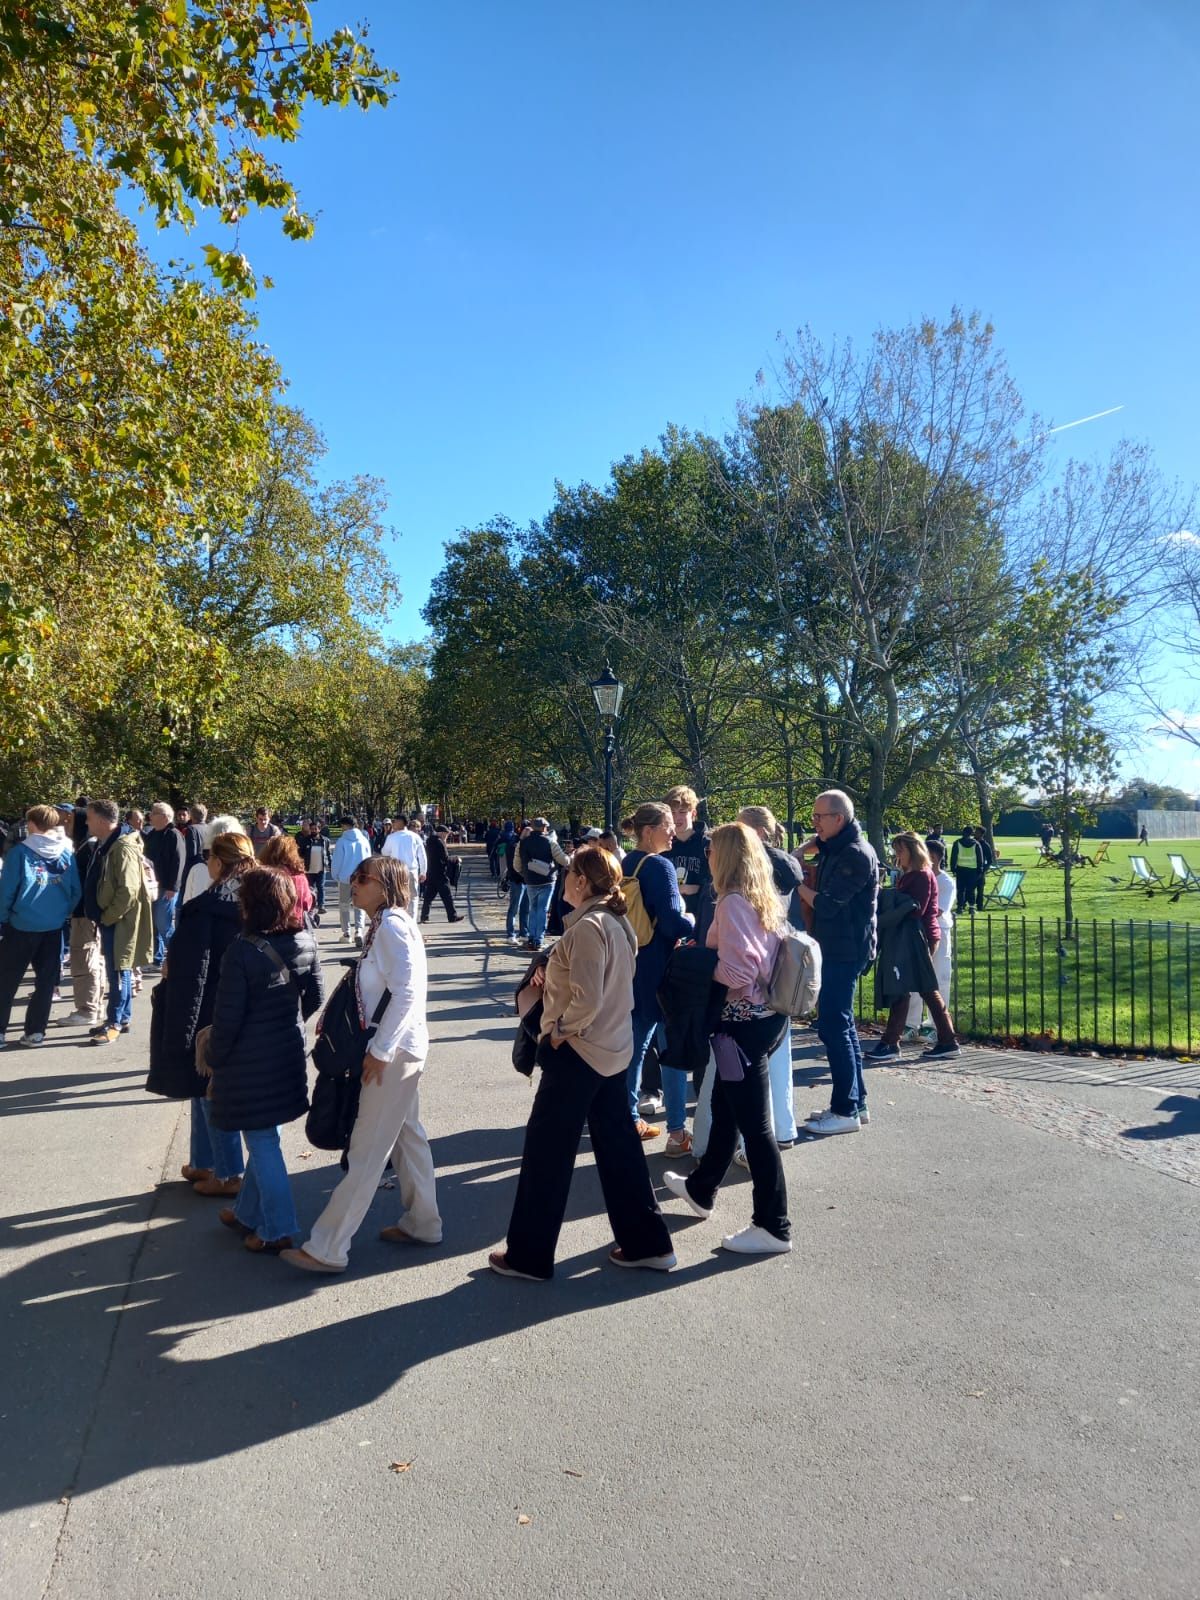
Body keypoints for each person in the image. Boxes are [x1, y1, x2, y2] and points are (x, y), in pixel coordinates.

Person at [489, 845, 676, 1280]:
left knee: (547, 1155)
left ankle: (529, 1256)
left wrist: (557, 1033)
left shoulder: (590, 927)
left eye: (570, 871)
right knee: (619, 1151)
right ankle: (648, 1243)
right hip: (610, 1050)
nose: (564, 878)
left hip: (580, 1052)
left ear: (580, 881)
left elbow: (587, 997)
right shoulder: (612, 921)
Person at [282, 857, 441, 1273]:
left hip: (394, 1055)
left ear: (385, 884)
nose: (353, 885)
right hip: (402, 1050)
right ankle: (424, 1222)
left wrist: (381, 1050)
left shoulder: (391, 926)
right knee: (408, 1137)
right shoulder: (388, 924)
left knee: (368, 1150)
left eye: (361, 878)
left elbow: (407, 992)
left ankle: (328, 1247)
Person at [662, 822, 791, 1255]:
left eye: (711, 848)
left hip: (740, 1025)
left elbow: (737, 973)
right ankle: (701, 1190)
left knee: (755, 1128)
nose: (707, 855)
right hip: (764, 1020)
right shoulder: (761, 897)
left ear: (727, 855)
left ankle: (773, 1226)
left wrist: (696, 960)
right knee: (724, 1107)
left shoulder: (733, 902)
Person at [205, 866, 323, 1253]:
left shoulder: (241, 951)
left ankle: (278, 1228)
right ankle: (248, 1211)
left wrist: (215, 1059)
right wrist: (286, 1021)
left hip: (247, 1060)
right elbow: (316, 998)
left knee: (262, 1141)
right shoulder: (305, 940)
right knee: (265, 1135)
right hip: (286, 1049)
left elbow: (227, 1017)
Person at [146, 832, 256, 1196]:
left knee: (210, 1086)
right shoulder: (262, 898)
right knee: (203, 1086)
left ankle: (226, 1172)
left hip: (212, 1005)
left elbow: (189, 972)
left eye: (209, 855)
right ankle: (204, 1161)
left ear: (218, 863)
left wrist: (180, 1024)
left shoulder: (206, 908)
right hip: (251, 1005)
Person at [795, 789, 879, 1135]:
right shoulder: (838, 847)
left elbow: (828, 904)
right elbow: (805, 851)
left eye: (819, 817)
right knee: (841, 1026)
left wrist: (797, 882)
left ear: (839, 819)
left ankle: (844, 1111)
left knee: (833, 1027)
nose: (814, 823)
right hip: (837, 947)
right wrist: (802, 850)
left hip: (845, 951)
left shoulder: (856, 854)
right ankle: (855, 1102)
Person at [620, 801, 694, 1148]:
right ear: (648, 831)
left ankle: (626, 1115)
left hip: (632, 964)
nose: (673, 832)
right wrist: (690, 920)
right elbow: (671, 922)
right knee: (672, 1049)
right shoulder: (661, 867)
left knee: (635, 1046)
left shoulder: (627, 863)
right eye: (667, 826)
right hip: (661, 968)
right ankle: (677, 1130)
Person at [737, 805, 805, 1149]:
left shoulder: (760, 864)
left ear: (758, 832)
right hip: (781, 957)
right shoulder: (786, 862)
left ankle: (758, 1138)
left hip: (763, 961)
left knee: (757, 1058)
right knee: (780, 1053)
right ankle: (784, 1127)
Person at [866, 832, 960, 1061]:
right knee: (921, 988)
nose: (897, 856)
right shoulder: (915, 874)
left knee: (908, 988)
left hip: (917, 937)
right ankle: (945, 1041)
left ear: (913, 851)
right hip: (916, 936)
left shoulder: (919, 875)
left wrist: (889, 899)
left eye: (901, 850)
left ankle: (892, 1043)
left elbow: (915, 909)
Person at [0, 805, 81, 1048]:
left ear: (31, 823)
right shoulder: (66, 853)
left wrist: (3, 918)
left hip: (21, 924)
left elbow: (6, 891)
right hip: (53, 926)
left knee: (6, 981)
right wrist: (62, 912)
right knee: (46, 982)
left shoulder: (19, 853)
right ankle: (36, 1032)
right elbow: (75, 890)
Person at [86, 799, 154, 1045]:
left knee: (118, 971)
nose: (86, 822)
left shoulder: (121, 847)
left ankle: (114, 1022)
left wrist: (107, 917)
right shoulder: (111, 844)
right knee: (120, 970)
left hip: (119, 921)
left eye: (90, 817)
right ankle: (121, 1018)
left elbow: (128, 890)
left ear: (103, 821)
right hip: (114, 919)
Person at [905, 837, 955, 1040]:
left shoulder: (945, 882)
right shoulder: (917, 876)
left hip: (939, 932)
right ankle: (910, 1022)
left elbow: (937, 909)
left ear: (933, 857)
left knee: (939, 978)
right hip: (919, 930)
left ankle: (934, 1025)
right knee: (914, 979)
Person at [664, 785, 715, 944]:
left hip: (701, 918)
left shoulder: (708, 844)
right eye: (672, 812)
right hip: (672, 918)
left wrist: (698, 887)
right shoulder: (664, 845)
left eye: (682, 812)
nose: (676, 818)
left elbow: (717, 880)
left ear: (693, 814)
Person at [516, 816, 569, 952]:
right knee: (543, 910)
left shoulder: (522, 843)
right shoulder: (550, 842)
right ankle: (538, 940)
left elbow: (516, 864)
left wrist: (525, 874)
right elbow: (564, 860)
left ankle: (532, 938)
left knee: (533, 908)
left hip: (530, 881)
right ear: (545, 828)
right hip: (547, 880)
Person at [143, 801, 186, 964]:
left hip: (167, 888)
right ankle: (158, 958)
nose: (150, 816)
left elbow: (178, 861)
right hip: (152, 886)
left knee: (164, 925)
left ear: (165, 817)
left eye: (154, 813)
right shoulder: (153, 834)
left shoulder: (174, 834)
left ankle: (178, 956)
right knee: (153, 925)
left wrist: (173, 887)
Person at [330, 817, 372, 945]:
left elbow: (337, 860)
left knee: (344, 905)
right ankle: (359, 930)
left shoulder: (342, 841)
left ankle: (346, 933)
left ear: (345, 826)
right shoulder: (364, 840)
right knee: (359, 905)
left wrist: (335, 875)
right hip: (361, 877)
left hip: (345, 877)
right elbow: (368, 859)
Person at [258, 831, 315, 922]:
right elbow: (307, 904)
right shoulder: (299, 877)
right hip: (294, 924)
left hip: (266, 926)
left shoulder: (259, 876)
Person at [420, 825, 464, 924]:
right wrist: (456, 858)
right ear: (441, 833)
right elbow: (445, 858)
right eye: (446, 834)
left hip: (431, 872)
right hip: (440, 873)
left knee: (428, 897)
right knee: (447, 896)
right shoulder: (440, 842)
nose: (447, 836)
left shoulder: (429, 841)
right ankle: (452, 917)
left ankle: (424, 916)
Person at [381, 814, 427, 891]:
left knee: (397, 897)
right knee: (413, 898)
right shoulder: (415, 837)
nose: (393, 824)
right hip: (412, 871)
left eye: (394, 822)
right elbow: (422, 856)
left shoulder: (391, 837)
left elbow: (384, 853)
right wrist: (423, 872)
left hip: (396, 872)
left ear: (400, 823)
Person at [504, 823, 531, 946]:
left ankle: (523, 933)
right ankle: (511, 934)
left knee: (525, 908)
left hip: (525, 880)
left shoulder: (522, 843)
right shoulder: (514, 844)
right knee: (515, 907)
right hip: (517, 880)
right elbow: (512, 863)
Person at [950, 827, 983, 918]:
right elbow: (980, 858)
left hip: (960, 869)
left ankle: (960, 907)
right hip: (972, 870)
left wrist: (953, 868)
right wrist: (980, 870)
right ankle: (972, 908)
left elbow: (953, 857)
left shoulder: (957, 843)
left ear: (963, 832)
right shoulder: (976, 844)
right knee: (971, 889)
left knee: (960, 889)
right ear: (971, 833)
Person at [972, 827, 995, 912]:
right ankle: (970, 904)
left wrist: (984, 870)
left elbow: (990, 860)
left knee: (980, 889)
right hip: (971, 869)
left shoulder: (985, 845)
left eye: (977, 833)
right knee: (970, 889)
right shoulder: (971, 843)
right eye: (975, 832)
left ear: (981, 834)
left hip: (981, 871)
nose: (975, 834)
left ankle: (980, 906)